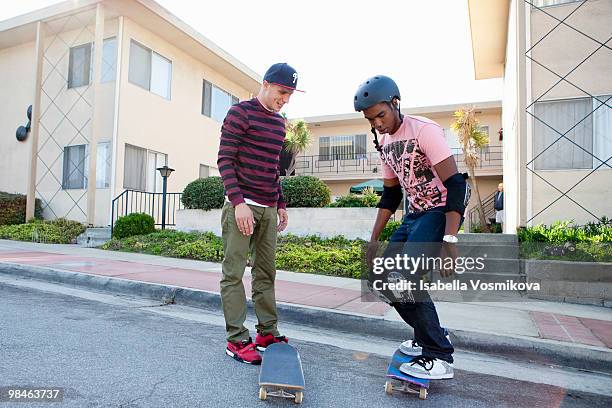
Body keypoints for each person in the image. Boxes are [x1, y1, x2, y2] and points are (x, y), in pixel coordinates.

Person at [354, 75, 470, 380]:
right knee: (381, 279)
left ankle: (440, 355)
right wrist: (373, 241)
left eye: (381, 115)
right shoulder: (387, 144)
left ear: (395, 104)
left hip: (438, 212)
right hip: (414, 215)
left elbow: (456, 186)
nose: (377, 123)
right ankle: (427, 334)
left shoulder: (424, 130)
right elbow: (391, 194)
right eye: (371, 119)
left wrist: (449, 239)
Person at [217, 63, 302, 364]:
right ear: (265, 84)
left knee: (266, 273)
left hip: (267, 208)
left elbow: (273, 170)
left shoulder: (279, 125)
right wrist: (238, 202)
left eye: (290, 95)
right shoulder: (240, 113)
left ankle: (267, 332)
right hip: (242, 205)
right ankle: (237, 340)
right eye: (282, 92)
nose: (285, 99)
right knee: (234, 273)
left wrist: (280, 203)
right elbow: (225, 159)